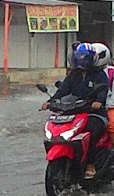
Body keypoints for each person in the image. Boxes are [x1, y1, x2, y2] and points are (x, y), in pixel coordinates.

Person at [47, 43, 109, 177]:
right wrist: (50, 101)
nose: (81, 60)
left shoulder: (99, 75)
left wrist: (98, 101)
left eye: (84, 57)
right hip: (75, 112)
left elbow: (103, 90)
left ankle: (90, 165)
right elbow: (63, 91)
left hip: (95, 113)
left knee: (90, 132)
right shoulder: (73, 76)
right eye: (79, 57)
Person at [89, 42, 114, 149]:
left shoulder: (111, 72)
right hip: (88, 106)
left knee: (112, 124)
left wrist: (107, 106)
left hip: (108, 106)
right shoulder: (87, 72)